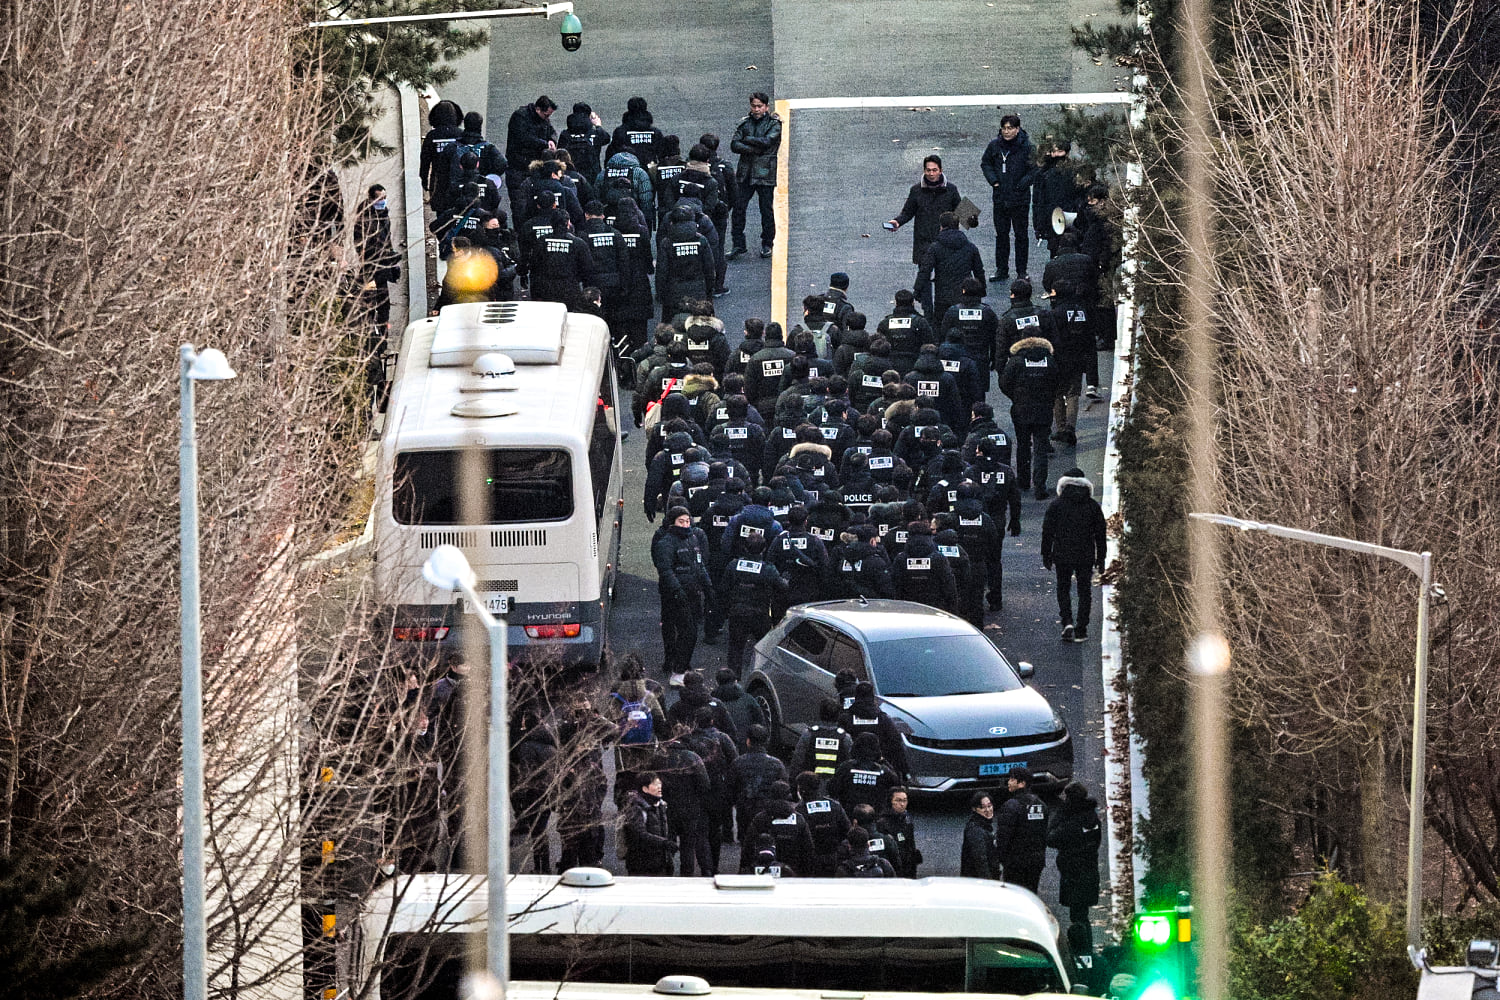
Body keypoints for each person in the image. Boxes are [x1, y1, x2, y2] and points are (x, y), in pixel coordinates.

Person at [1041, 467, 1108, 642]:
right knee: (1084, 590)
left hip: (1062, 553)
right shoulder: (1092, 506)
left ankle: (1067, 621)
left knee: (1063, 588)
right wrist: (1101, 557)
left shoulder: (1056, 505)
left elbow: (1047, 531)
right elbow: (1100, 533)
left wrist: (1046, 554)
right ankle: (1082, 629)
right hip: (1085, 554)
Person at [652, 506, 712, 681]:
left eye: (687, 521)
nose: (685, 525)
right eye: (681, 521)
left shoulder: (693, 539)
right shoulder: (666, 543)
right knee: (686, 631)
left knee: (690, 631)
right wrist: (677, 591)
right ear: (673, 522)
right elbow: (665, 570)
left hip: (692, 593)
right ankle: (678, 669)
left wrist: (708, 589)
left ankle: (681, 666)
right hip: (675, 596)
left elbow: (699, 566)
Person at [998, 332, 1060, 499]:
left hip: (1021, 409)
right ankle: (1040, 486)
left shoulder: (1016, 361)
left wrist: (1016, 397)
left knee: (1023, 445)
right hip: (1044, 408)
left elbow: (1004, 383)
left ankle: (1023, 481)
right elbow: (1057, 381)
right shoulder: (1049, 360)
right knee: (1041, 447)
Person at [556, 691, 613, 871]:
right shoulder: (571, 726)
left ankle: (588, 858)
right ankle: (593, 858)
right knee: (591, 825)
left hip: (583, 775)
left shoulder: (569, 725)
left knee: (584, 829)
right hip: (583, 776)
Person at [1048, 779, 1103, 956]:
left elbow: (1051, 837)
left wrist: (1061, 812)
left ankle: (1082, 952)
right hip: (1090, 872)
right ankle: (1088, 949)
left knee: (1077, 917)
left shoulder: (1071, 824)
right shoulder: (1093, 819)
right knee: (1083, 915)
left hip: (1073, 874)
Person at [980, 114, 1037, 282]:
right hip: (1000, 197)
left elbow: (1034, 169)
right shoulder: (994, 146)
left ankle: (1021, 271)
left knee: (1021, 235)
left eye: (1010, 128)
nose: (1006, 131)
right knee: (1001, 235)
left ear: (1017, 129)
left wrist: (1022, 185)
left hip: (1020, 199)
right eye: (1004, 128)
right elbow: (986, 164)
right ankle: (1001, 269)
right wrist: (994, 182)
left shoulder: (1027, 147)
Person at [728, 93, 781, 259]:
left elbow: (768, 142)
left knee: (766, 210)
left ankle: (767, 243)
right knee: (738, 209)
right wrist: (754, 149)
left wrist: (748, 139)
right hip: (746, 173)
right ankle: (738, 244)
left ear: (766, 107)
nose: (756, 109)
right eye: (754, 106)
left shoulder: (774, 124)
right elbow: (734, 144)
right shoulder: (745, 122)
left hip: (765, 173)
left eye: (759, 106)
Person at [888, 155, 962, 267]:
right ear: (924, 170)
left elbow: (962, 213)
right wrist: (897, 221)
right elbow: (908, 212)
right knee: (923, 278)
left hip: (946, 239)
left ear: (941, 171)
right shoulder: (916, 190)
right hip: (923, 240)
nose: (931, 174)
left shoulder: (951, 189)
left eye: (934, 170)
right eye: (928, 170)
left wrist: (972, 219)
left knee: (944, 277)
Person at [914, 212, 986, 322]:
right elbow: (979, 271)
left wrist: (917, 290)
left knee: (942, 326)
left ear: (941, 227)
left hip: (943, 296)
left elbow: (925, 270)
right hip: (964, 294)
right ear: (958, 225)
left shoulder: (935, 247)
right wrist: (982, 289)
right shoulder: (970, 247)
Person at [730, 724, 789, 843]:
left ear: (748, 741)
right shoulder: (776, 764)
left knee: (747, 845)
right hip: (768, 812)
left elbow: (730, 790)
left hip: (745, 811)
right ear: (766, 741)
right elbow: (785, 789)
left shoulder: (738, 763)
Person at [505, 96, 559, 224]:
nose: (547, 118)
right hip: (519, 165)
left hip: (535, 166)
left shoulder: (544, 120)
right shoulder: (520, 117)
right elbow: (523, 138)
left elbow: (551, 131)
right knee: (519, 204)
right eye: (546, 115)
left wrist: (552, 140)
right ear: (538, 109)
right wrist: (544, 144)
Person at [994, 767, 1048, 892]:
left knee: (1015, 895)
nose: (1008, 782)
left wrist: (1001, 859)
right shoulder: (1041, 805)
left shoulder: (1011, 805)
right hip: (1036, 861)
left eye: (1012, 779)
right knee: (1031, 892)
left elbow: (1003, 837)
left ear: (1021, 783)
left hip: (1015, 863)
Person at [1032, 140, 1085, 257]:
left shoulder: (1073, 172)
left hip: (1069, 216)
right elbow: (1038, 201)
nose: (1055, 155)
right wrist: (1039, 225)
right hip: (1052, 217)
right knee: (1055, 249)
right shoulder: (1042, 174)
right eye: (1053, 151)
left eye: (1059, 151)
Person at [795, 770, 852, 876]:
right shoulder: (835, 805)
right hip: (834, 859)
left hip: (810, 863)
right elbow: (848, 831)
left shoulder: (799, 810)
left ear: (801, 789)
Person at [619, 771, 676, 875]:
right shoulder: (635, 808)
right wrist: (664, 843)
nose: (659, 787)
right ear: (645, 789)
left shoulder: (661, 805)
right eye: (655, 784)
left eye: (659, 783)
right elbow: (639, 834)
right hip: (641, 866)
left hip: (661, 864)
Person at [875, 786, 922, 878]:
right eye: (898, 800)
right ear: (890, 802)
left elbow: (911, 844)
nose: (902, 804)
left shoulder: (907, 819)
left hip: (907, 865)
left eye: (905, 800)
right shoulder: (882, 822)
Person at [560, 101, 611, 180]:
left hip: (571, 175)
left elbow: (560, 152)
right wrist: (598, 125)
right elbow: (607, 139)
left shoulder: (565, 134)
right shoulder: (594, 134)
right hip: (592, 174)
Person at [960, 791, 1000, 880]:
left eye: (989, 806)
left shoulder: (984, 825)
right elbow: (980, 860)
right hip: (978, 882)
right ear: (975, 809)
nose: (988, 810)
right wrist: (989, 882)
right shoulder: (975, 830)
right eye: (983, 807)